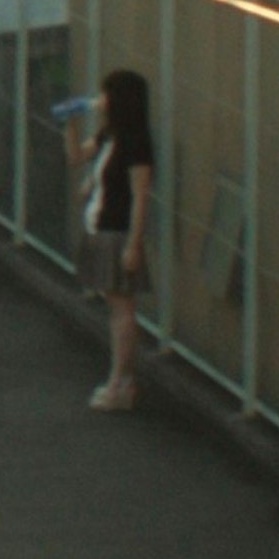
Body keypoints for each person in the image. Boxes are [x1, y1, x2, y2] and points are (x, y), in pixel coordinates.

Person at [83, 62, 158, 412]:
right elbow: (76, 156)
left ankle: (121, 382)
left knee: (122, 311)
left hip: (117, 231)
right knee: (118, 309)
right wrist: (68, 123)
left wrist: (134, 244)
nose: (101, 100)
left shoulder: (136, 144)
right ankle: (121, 380)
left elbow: (141, 195)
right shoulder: (109, 137)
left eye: (106, 94)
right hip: (101, 226)